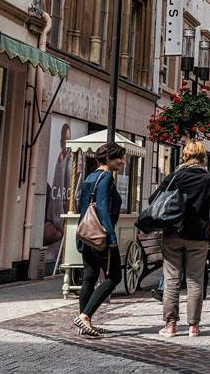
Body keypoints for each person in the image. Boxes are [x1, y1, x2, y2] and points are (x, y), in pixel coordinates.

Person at [156, 140, 210, 338]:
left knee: (172, 280)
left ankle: (170, 325)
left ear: (185, 155)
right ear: (203, 156)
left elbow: (155, 200)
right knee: (195, 280)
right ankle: (193, 326)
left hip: (173, 233)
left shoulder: (174, 177)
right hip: (198, 236)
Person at [72, 142, 125, 338]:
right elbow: (102, 207)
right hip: (101, 236)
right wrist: (111, 237)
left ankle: (84, 323)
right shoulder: (106, 177)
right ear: (109, 158)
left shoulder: (91, 176)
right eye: (119, 157)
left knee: (90, 277)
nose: (122, 161)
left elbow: (83, 206)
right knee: (114, 277)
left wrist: (81, 235)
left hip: (86, 234)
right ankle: (85, 317)